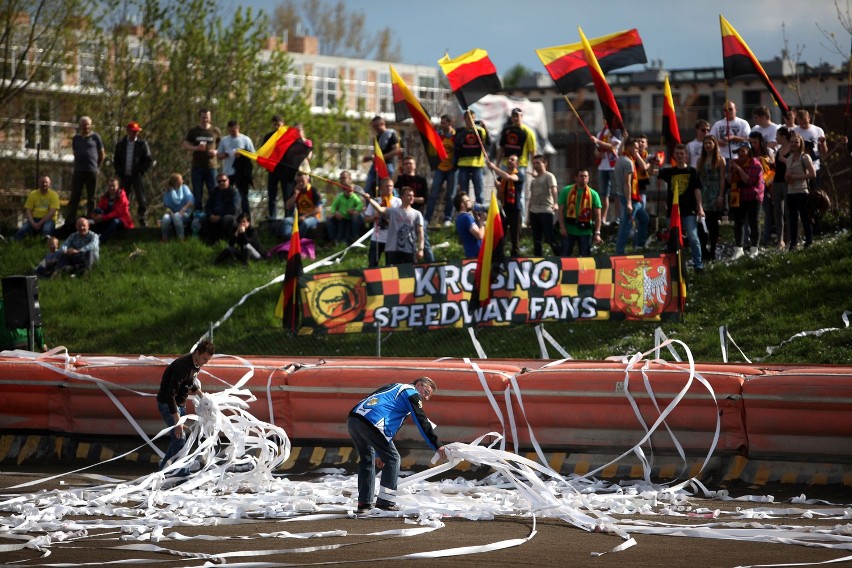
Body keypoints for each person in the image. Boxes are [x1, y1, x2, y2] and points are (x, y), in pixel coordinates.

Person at [347, 377, 446, 513]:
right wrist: (437, 445)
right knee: (393, 459)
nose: (426, 397)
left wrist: (379, 453)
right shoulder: (412, 393)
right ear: (418, 385)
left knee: (367, 461)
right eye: (426, 392)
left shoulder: (393, 387)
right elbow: (422, 420)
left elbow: (384, 415)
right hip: (373, 422)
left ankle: (364, 504)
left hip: (354, 419)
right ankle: (385, 502)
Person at [156, 339, 214, 472]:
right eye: (204, 358)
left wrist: (201, 395)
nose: (205, 362)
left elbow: (190, 381)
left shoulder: (195, 364)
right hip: (169, 404)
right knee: (180, 439)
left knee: (178, 440)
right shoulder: (183, 366)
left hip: (180, 404)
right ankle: (180, 474)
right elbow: (170, 394)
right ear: (197, 353)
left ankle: (164, 470)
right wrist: (177, 419)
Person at [658, 144, 705, 271]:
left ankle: (698, 265)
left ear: (686, 155)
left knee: (693, 237)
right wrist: (655, 161)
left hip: (689, 210)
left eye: (682, 153)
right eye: (677, 153)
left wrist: (700, 207)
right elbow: (651, 172)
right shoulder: (669, 171)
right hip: (673, 212)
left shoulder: (692, 171)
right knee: (672, 239)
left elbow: (697, 190)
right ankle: (673, 266)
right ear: (674, 156)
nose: (679, 156)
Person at [360, 186, 424, 266]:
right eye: (409, 195)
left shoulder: (417, 214)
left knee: (409, 275)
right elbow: (380, 209)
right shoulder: (393, 211)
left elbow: (420, 233)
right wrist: (369, 199)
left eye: (412, 195)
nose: (412, 198)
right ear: (402, 197)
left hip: (410, 250)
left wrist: (421, 249)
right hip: (393, 249)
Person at [495, 108, 537, 222]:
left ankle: (521, 219)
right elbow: (501, 148)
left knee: (519, 193)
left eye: (517, 116)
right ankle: (503, 218)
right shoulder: (506, 130)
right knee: (502, 191)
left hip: (520, 166)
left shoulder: (528, 132)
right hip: (505, 165)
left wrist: (534, 168)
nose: (515, 118)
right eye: (513, 116)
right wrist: (497, 164)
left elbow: (533, 152)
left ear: (521, 117)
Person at [727, 144, 765, 259]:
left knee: (754, 221)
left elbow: (749, 180)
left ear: (749, 151)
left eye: (743, 151)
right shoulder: (735, 162)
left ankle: (754, 248)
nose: (740, 154)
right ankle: (738, 248)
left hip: (754, 196)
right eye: (738, 151)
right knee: (738, 222)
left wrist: (738, 169)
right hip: (738, 196)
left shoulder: (755, 164)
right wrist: (730, 170)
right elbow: (729, 180)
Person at [65, 116, 105, 223]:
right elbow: (75, 153)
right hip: (78, 170)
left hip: (92, 171)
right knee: (74, 196)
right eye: (83, 124)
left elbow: (102, 154)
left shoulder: (96, 137)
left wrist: (96, 167)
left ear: (90, 125)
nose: (85, 126)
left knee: (92, 197)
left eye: (87, 124)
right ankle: (70, 220)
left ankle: (91, 218)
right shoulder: (76, 138)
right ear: (80, 125)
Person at [113, 121, 153, 226]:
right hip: (124, 176)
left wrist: (141, 171)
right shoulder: (121, 144)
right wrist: (119, 171)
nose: (135, 134)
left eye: (137, 132)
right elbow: (116, 159)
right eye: (133, 131)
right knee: (123, 198)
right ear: (128, 131)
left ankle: (142, 218)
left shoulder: (142, 144)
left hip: (137, 176)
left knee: (141, 198)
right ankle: (123, 218)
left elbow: (148, 159)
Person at [615, 138, 650, 255]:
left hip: (628, 197)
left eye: (637, 148)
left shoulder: (621, 158)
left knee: (644, 219)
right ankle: (619, 252)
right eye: (634, 148)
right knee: (626, 225)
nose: (637, 150)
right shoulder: (629, 162)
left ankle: (639, 245)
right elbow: (627, 184)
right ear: (628, 147)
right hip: (630, 198)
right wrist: (629, 202)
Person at [557, 169, 603, 257]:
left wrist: (597, 233)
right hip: (568, 230)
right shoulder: (566, 191)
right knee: (564, 257)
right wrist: (562, 227)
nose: (583, 178)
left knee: (585, 259)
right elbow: (560, 211)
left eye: (586, 176)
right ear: (576, 178)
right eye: (581, 176)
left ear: (588, 178)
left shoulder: (593, 194)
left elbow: (598, 216)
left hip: (585, 231)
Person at [395, 155, 433, 261]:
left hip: (418, 213)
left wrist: (409, 198)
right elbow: (392, 185)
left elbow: (424, 199)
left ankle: (431, 264)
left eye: (410, 163)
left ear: (415, 165)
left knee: (424, 240)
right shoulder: (401, 179)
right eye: (405, 164)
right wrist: (397, 169)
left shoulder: (421, 180)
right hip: (403, 215)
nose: (408, 166)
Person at [182, 108, 221, 210]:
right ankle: (198, 214)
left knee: (213, 191)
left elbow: (222, 147)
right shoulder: (194, 131)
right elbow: (185, 145)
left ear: (210, 117)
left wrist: (215, 152)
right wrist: (196, 148)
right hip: (197, 167)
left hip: (211, 167)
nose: (205, 119)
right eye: (203, 117)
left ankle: (213, 213)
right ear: (200, 117)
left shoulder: (215, 131)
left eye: (207, 117)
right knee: (197, 193)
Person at [217, 119, 255, 216]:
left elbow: (253, 155)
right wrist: (226, 154)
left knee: (243, 196)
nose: (232, 133)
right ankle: (229, 217)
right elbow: (218, 155)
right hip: (228, 172)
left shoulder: (246, 139)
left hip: (241, 173)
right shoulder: (224, 140)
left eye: (234, 130)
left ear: (238, 128)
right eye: (230, 131)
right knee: (228, 195)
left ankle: (246, 219)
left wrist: (242, 154)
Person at [696, 136, 726, 261]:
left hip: (714, 193)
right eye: (705, 143)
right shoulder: (700, 160)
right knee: (701, 224)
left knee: (713, 225)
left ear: (715, 144)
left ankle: (713, 249)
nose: (707, 145)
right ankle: (703, 250)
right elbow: (697, 178)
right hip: (703, 194)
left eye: (710, 143)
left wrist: (721, 195)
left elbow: (722, 179)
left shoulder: (720, 160)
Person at [784, 133, 816, 251]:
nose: (793, 144)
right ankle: (793, 243)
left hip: (802, 191)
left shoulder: (805, 157)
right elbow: (787, 176)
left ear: (800, 144)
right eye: (792, 142)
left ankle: (809, 241)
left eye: (796, 142)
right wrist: (787, 177)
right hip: (791, 191)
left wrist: (796, 177)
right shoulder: (788, 159)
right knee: (792, 219)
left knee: (805, 217)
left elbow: (813, 174)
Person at [424, 115, 457, 226]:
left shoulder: (455, 135)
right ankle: (427, 218)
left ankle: (447, 219)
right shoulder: (438, 135)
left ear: (450, 123)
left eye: (444, 123)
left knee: (451, 195)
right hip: (440, 168)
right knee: (433, 194)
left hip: (452, 169)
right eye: (441, 123)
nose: (442, 125)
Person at [486, 155, 521, 258]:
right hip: (503, 210)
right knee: (501, 236)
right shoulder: (500, 178)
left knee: (515, 239)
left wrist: (494, 168)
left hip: (515, 211)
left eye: (512, 160)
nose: (509, 161)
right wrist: (498, 188)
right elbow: (499, 197)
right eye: (508, 159)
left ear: (517, 164)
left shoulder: (519, 175)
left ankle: (515, 259)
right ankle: (499, 258)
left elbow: (509, 177)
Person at [364, 178, 401, 267]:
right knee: (372, 265)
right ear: (381, 188)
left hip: (391, 238)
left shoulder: (398, 201)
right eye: (386, 186)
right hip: (377, 238)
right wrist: (374, 217)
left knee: (390, 265)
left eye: (391, 186)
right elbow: (366, 219)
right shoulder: (375, 201)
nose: (389, 188)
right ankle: (372, 281)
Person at [454, 111, 489, 205]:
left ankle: (480, 214)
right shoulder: (460, 131)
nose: (471, 121)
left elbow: (488, 144)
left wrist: (485, 129)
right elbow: (456, 143)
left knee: (479, 192)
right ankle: (465, 212)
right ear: (464, 119)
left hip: (477, 165)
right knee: (464, 193)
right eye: (468, 118)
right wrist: (466, 131)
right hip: (463, 165)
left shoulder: (480, 131)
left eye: (472, 118)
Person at [527, 154, 559, 256]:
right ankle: (538, 260)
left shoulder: (549, 176)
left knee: (549, 237)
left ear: (545, 163)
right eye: (534, 163)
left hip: (546, 210)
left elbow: (554, 190)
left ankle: (560, 257)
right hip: (534, 212)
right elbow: (531, 198)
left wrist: (556, 203)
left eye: (538, 163)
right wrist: (528, 216)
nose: (536, 165)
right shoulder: (534, 180)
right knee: (537, 240)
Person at [590, 125, 621, 225]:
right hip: (602, 167)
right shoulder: (600, 133)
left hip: (614, 166)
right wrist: (599, 154)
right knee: (603, 194)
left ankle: (617, 218)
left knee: (616, 194)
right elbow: (596, 152)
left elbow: (612, 146)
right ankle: (603, 218)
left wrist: (598, 142)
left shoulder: (616, 131)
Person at [749, 131, 776, 246]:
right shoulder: (750, 153)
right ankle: (753, 238)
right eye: (751, 142)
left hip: (767, 183)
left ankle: (767, 236)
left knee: (768, 211)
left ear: (760, 141)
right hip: (754, 186)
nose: (753, 145)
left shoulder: (768, 151)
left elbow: (772, 167)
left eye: (755, 142)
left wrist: (764, 161)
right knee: (755, 214)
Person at [362, 116, 400, 195]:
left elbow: (396, 150)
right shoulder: (377, 137)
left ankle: (396, 201)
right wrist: (370, 158)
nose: (375, 129)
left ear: (382, 124)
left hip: (387, 165)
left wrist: (381, 158)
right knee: (368, 188)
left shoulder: (391, 135)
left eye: (376, 126)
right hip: (376, 165)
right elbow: (377, 153)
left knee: (388, 187)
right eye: (373, 127)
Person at [14, 175, 59, 241]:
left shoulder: (54, 195)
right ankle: (13, 241)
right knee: (23, 230)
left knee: (46, 230)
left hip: (49, 220)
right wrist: (33, 223)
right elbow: (28, 210)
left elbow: (52, 212)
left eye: (46, 182)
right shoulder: (32, 194)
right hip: (34, 219)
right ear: (38, 183)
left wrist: (39, 223)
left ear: (50, 183)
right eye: (42, 182)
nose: (44, 184)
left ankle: (43, 245)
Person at [90, 177, 134, 243]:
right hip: (107, 217)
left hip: (121, 219)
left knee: (115, 221)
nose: (111, 188)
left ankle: (101, 240)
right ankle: (93, 236)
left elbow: (117, 212)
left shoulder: (122, 196)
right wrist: (93, 215)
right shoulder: (105, 196)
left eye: (113, 186)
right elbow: (100, 207)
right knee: (97, 211)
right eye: (110, 186)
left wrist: (103, 217)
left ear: (118, 186)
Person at [792, 109, 827, 190]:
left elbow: (824, 152)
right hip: (799, 167)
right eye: (800, 123)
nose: (803, 125)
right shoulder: (795, 131)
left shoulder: (818, 130)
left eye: (805, 122)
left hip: (814, 166)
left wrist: (822, 143)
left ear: (809, 118)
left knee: (814, 192)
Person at [327, 171, 365, 246]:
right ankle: (334, 240)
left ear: (350, 179)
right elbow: (335, 204)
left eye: (344, 178)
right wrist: (335, 212)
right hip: (344, 215)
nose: (341, 180)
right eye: (340, 178)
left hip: (357, 215)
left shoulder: (357, 189)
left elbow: (362, 204)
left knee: (355, 217)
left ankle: (355, 239)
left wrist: (355, 210)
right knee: (329, 218)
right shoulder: (341, 192)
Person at [281, 172, 322, 240]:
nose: (300, 183)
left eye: (302, 181)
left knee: (305, 223)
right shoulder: (296, 190)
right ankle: (288, 239)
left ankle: (297, 240)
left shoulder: (314, 191)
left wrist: (305, 216)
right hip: (299, 217)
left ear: (307, 179)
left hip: (313, 218)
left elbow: (319, 209)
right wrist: (295, 195)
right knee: (287, 220)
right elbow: (287, 206)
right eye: (298, 181)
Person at [201, 174, 240, 244]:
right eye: (219, 181)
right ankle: (210, 240)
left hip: (228, 216)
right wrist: (211, 215)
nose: (221, 183)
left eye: (224, 181)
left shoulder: (234, 192)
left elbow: (234, 209)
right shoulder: (215, 192)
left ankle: (225, 240)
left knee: (228, 219)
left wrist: (220, 216)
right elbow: (208, 206)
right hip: (215, 215)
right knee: (203, 219)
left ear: (228, 181)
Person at [263, 115, 287, 219]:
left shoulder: (288, 137)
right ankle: (272, 216)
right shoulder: (268, 136)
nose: (277, 127)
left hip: (285, 169)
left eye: (279, 124)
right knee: (272, 195)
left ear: (283, 124)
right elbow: (263, 152)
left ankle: (288, 216)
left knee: (287, 194)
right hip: (273, 169)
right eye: (275, 125)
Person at [773, 127, 792, 250]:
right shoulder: (778, 150)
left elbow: (794, 164)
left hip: (788, 183)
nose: (776, 138)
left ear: (784, 136)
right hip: (776, 182)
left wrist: (784, 160)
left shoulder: (792, 149)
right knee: (778, 211)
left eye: (778, 135)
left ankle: (790, 239)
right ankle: (780, 240)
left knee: (789, 212)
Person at [161, 173, 194, 242]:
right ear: (175, 182)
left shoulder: (185, 188)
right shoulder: (168, 192)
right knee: (165, 218)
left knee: (177, 216)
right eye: (181, 179)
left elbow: (190, 201)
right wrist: (170, 212)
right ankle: (165, 238)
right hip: (172, 213)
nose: (183, 181)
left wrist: (183, 209)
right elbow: (166, 206)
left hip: (184, 213)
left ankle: (181, 238)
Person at [453, 191, 483, 259]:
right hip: (477, 255)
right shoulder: (466, 217)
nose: (470, 203)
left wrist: (475, 215)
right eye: (468, 201)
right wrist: (482, 221)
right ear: (462, 205)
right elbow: (479, 235)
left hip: (470, 254)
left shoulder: (459, 218)